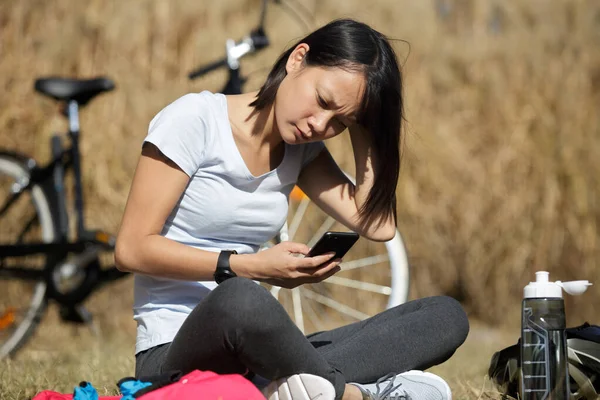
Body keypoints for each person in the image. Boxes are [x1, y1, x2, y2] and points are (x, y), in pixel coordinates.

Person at [115, 18, 469, 400]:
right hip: (173, 356)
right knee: (242, 299)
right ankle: (351, 395)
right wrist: (250, 266)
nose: (319, 125)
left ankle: (294, 387)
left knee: (444, 317)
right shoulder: (193, 121)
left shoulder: (301, 151)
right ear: (298, 59)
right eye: (322, 101)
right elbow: (131, 249)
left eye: (340, 122)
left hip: (256, 352)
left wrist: (366, 123)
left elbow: (378, 225)